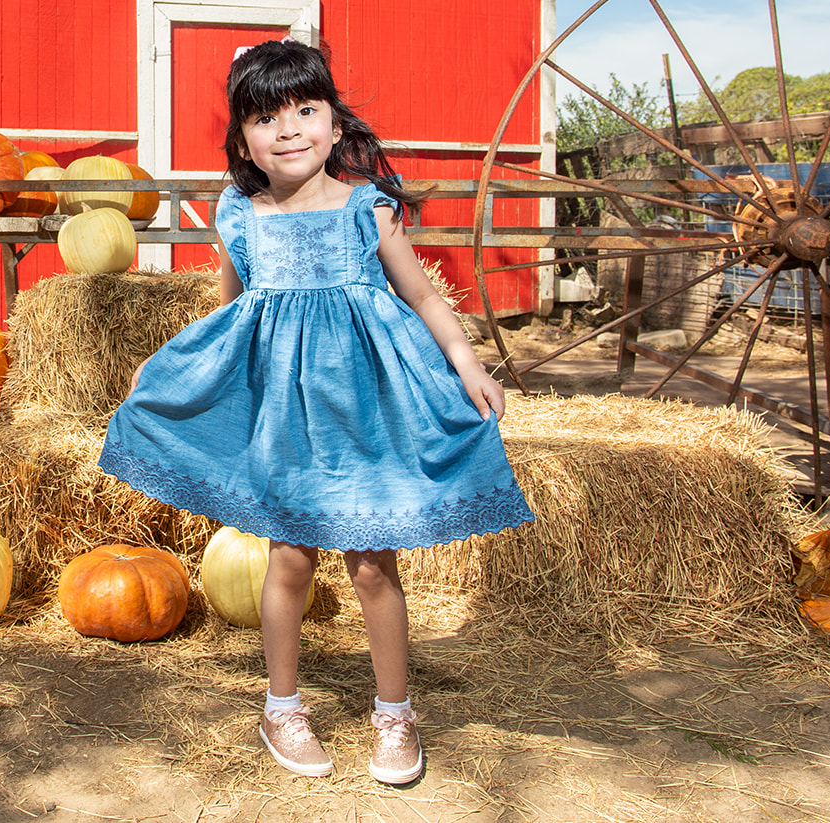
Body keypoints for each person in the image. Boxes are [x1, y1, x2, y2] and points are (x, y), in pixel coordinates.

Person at [99, 38, 534, 785]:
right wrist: (171, 364)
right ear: (244, 141)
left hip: (366, 414)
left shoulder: (369, 210)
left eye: (307, 108)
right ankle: (282, 706)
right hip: (287, 419)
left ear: (335, 124)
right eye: (267, 117)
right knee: (291, 558)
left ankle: (395, 715)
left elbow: (424, 296)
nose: (290, 127)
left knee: (372, 565)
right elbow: (229, 312)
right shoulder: (242, 217)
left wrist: (468, 364)